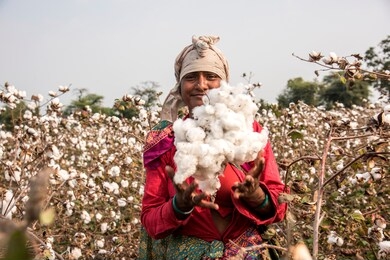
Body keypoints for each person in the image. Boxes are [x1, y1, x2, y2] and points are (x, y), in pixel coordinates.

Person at [139, 35, 288, 259]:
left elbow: (279, 206)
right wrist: (178, 207)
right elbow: (150, 219)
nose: (201, 85)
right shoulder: (166, 142)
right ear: (180, 87)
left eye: (211, 76)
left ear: (224, 84)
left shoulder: (249, 131)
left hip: (247, 253)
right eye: (191, 78)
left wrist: (258, 196)